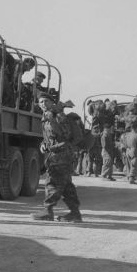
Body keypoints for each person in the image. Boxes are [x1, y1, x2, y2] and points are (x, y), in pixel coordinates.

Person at [31, 93, 82, 222]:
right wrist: (43, 144)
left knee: (52, 182)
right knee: (66, 186)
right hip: (56, 155)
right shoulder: (47, 116)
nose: (43, 104)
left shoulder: (58, 116)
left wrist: (51, 148)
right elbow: (49, 138)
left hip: (62, 155)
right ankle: (75, 213)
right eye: (40, 102)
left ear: (52, 102)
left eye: (46, 101)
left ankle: (48, 211)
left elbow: (66, 138)